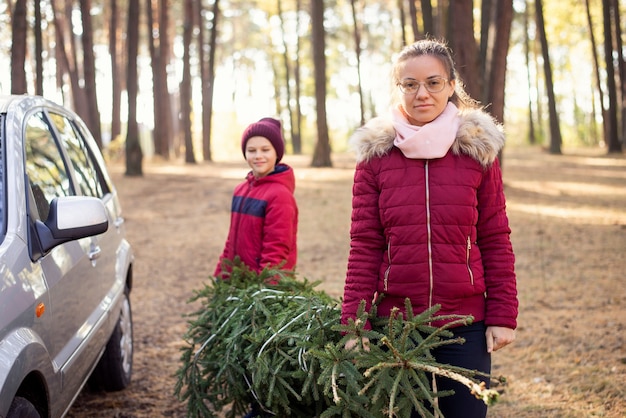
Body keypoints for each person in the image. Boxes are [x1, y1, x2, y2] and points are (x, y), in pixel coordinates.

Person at [341, 38, 518, 418]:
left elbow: (495, 237)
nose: (422, 93)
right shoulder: (375, 157)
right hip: (397, 327)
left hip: (465, 323)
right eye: (410, 84)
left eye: (433, 82)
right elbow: (365, 244)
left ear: (452, 85)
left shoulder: (477, 150)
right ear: (398, 88)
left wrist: (502, 314)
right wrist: (354, 322)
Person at [214, 117, 298, 281]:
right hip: (240, 282)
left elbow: (277, 248)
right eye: (252, 150)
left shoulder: (280, 195)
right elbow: (232, 240)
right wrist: (221, 274)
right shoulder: (240, 190)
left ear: (277, 153)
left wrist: (265, 288)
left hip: (264, 286)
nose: (258, 156)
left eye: (265, 150)